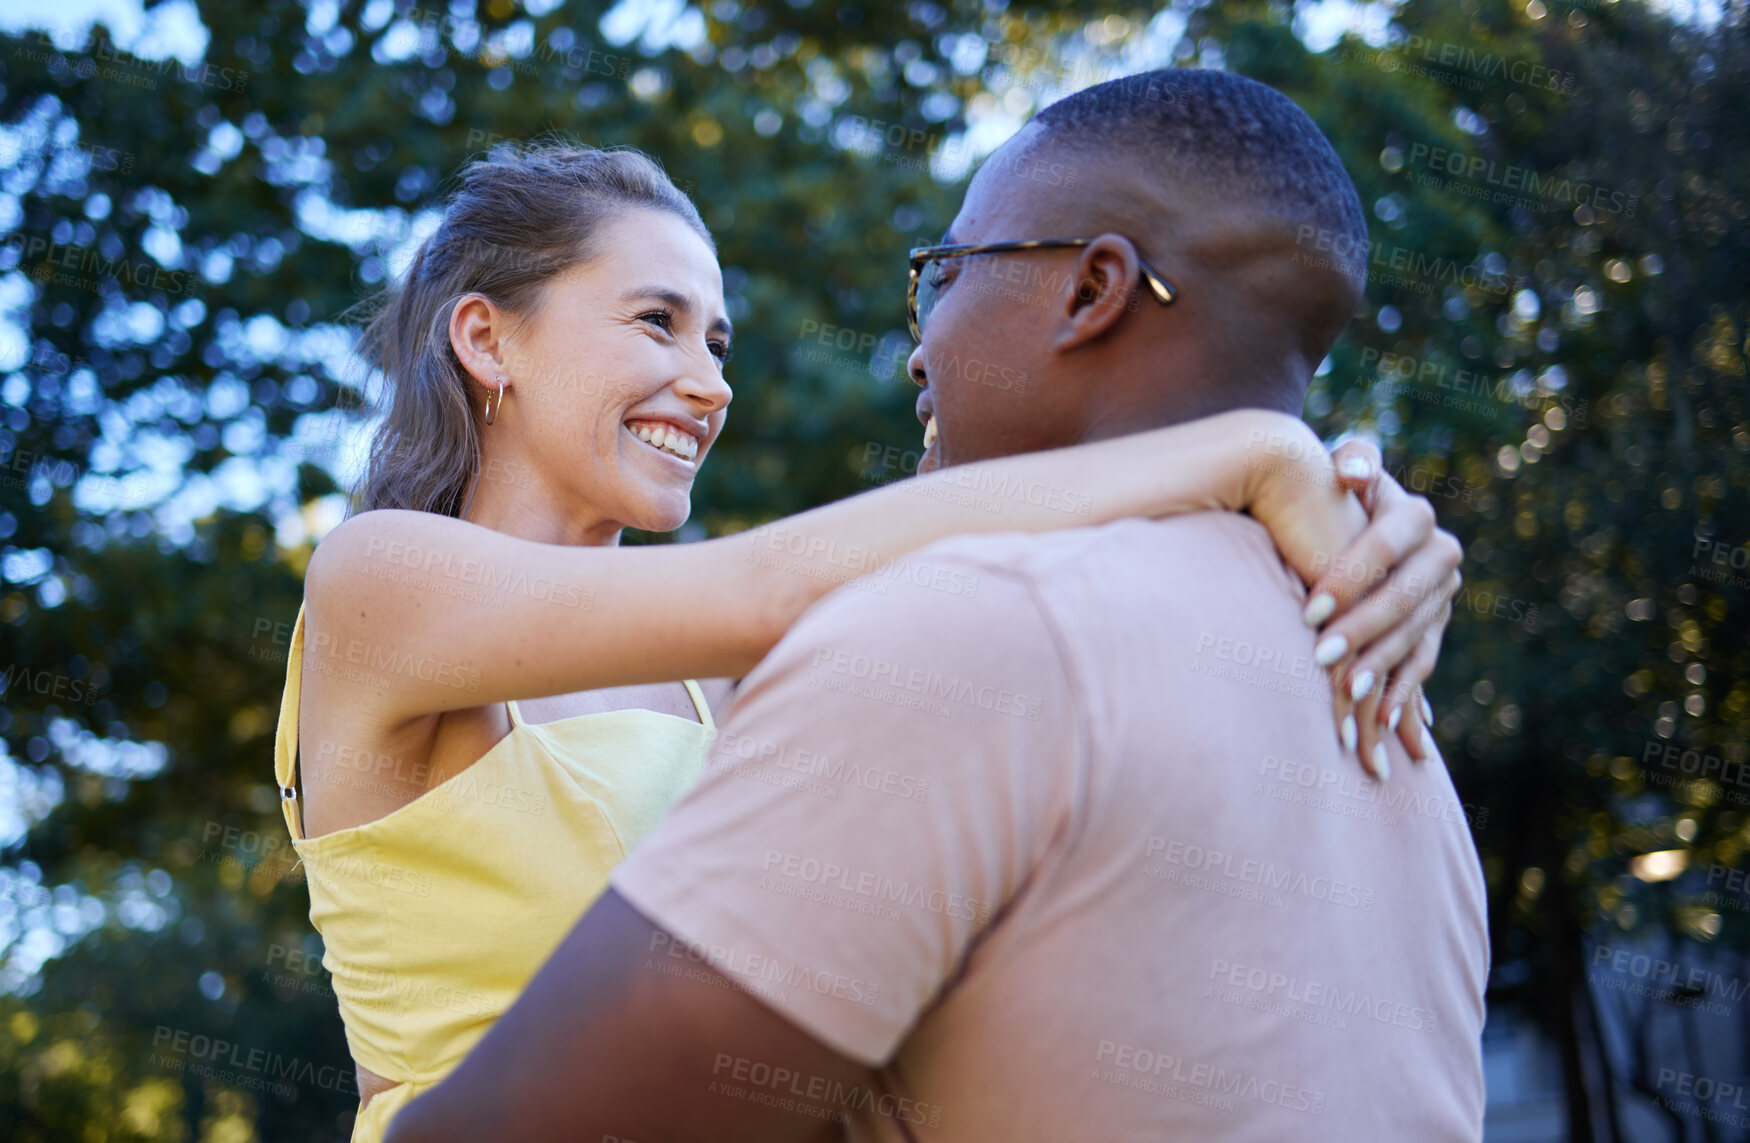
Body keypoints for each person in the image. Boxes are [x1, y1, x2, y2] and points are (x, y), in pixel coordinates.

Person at [382, 70, 1486, 1143]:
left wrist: (1275, 463)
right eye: (655, 321)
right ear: (486, 339)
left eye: (944, 273)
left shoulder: (965, 641)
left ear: (1094, 291)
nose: (919, 345)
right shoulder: (1406, 749)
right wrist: (1263, 454)